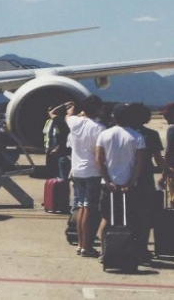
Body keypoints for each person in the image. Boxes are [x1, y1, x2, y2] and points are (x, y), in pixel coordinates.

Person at [95, 104, 148, 262]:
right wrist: (132, 182)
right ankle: (127, 251)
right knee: (129, 219)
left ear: (114, 117)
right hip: (128, 185)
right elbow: (140, 163)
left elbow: (99, 160)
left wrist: (107, 180)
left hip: (108, 184)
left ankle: (104, 252)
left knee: (106, 218)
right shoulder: (137, 137)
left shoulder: (104, 135)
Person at [66, 95, 106, 258]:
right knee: (90, 209)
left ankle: (81, 244)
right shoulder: (99, 128)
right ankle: (87, 246)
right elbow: (100, 154)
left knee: (82, 208)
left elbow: (67, 115)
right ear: (98, 109)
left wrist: (71, 108)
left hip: (77, 171)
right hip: (92, 172)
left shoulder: (74, 122)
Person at [131, 103, 165, 262]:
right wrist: (166, 172)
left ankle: (128, 245)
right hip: (145, 177)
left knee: (128, 213)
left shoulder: (125, 133)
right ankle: (142, 248)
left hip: (126, 176)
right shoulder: (151, 135)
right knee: (145, 215)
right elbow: (158, 159)